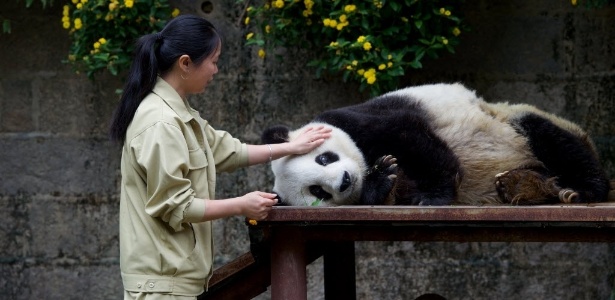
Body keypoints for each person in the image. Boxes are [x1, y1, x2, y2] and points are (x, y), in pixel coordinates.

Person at [108, 14, 331, 300]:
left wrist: (291, 147)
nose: (216, 70)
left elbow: (229, 151)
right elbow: (177, 206)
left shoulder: (179, 113)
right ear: (185, 63)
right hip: (163, 289)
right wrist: (242, 205)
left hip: (176, 285)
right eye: (213, 60)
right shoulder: (161, 122)